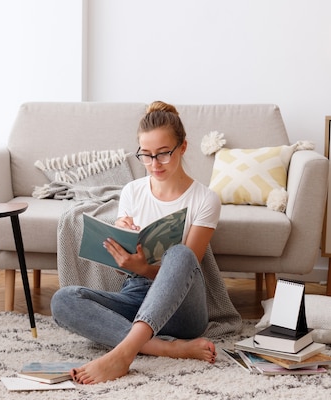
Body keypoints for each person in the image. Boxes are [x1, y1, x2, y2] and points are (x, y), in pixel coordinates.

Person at [51, 101, 223, 385]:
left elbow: (189, 267)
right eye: (146, 155)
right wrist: (122, 252)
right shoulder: (132, 191)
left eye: (164, 154)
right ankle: (166, 348)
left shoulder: (204, 199)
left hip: (182, 310)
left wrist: (144, 268)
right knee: (64, 300)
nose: (154, 164)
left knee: (179, 254)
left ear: (182, 147)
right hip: (136, 296)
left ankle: (124, 354)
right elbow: (122, 271)